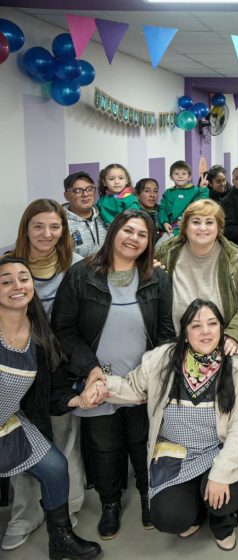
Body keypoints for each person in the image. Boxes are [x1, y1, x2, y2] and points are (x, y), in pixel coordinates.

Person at [81, 299, 238, 551]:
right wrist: (103, 386)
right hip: (176, 454)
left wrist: (221, 473)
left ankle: (222, 523)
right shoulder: (163, 358)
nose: (206, 331)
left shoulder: (236, 366)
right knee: (168, 517)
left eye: (212, 324)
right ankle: (196, 512)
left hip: (219, 451)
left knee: (224, 495)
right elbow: (133, 387)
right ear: (185, 333)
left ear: (221, 329)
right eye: (196, 325)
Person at [52, 209, 174, 539]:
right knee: (103, 446)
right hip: (98, 377)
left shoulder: (156, 277)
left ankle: (149, 496)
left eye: (142, 234)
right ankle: (110, 503)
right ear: (114, 231)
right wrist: (91, 370)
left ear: (149, 242)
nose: (134, 238)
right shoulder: (82, 274)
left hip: (140, 378)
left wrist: (152, 375)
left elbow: (166, 332)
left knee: (142, 441)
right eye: (128, 230)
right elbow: (63, 329)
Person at [0, 255, 102, 560]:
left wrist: (80, 399)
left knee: (56, 468)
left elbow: (54, 391)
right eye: (6, 281)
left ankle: (60, 539)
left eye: (24, 279)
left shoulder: (40, 336)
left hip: (8, 422)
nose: (17, 286)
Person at [3, 200, 84, 551]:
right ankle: (25, 514)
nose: (47, 234)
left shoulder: (75, 265)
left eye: (55, 226)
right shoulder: (9, 263)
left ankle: (67, 506)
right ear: (26, 228)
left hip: (60, 367)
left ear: (64, 230)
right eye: (38, 226)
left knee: (64, 440)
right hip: (16, 366)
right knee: (19, 442)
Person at [156, 199, 238, 385]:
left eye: (209, 222)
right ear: (185, 226)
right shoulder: (165, 254)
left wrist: (236, 334)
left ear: (219, 227)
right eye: (196, 222)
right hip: (177, 351)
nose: (202, 228)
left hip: (225, 354)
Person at [158, 160, 209, 238]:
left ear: (189, 177)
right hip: (172, 229)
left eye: (184, 174)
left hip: (190, 228)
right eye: (176, 174)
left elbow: (201, 202)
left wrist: (203, 188)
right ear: (171, 177)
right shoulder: (168, 193)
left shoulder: (195, 191)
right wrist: (165, 222)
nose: (180, 176)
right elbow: (162, 209)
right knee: (161, 244)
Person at [63, 171, 108, 258]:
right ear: (66, 196)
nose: (85, 194)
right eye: (77, 191)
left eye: (89, 189)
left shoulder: (105, 214)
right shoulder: (60, 223)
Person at [97, 163, 141, 228]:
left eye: (121, 178)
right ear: (104, 182)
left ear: (126, 180)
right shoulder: (101, 200)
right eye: (111, 179)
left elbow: (134, 221)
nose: (117, 182)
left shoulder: (131, 199)